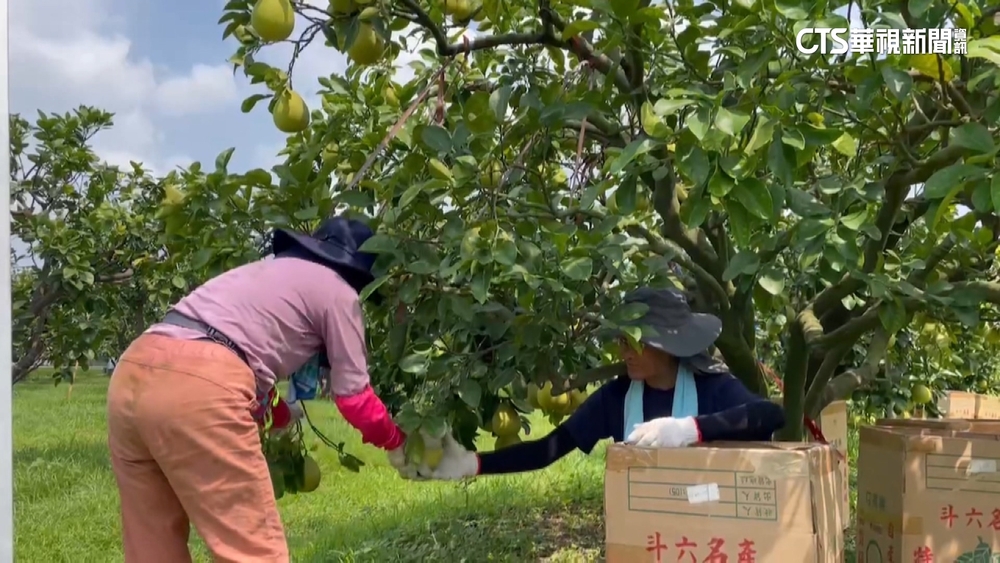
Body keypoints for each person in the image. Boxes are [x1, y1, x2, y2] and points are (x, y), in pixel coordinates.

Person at [106, 216, 416, 563]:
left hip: (132, 373)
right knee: (252, 553)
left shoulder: (260, 272)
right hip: (203, 386)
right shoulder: (339, 293)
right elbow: (355, 399)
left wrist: (282, 416)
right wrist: (396, 442)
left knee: (152, 543)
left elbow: (230, 351)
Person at [424, 287, 786, 480]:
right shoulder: (617, 398)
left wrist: (689, 429)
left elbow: (769, 414)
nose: (623, 351)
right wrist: (473, 464)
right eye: (621, 340)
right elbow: (550, 448)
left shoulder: (711, 389)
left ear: (668, 345)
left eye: (634, 341)